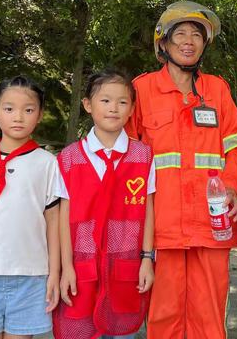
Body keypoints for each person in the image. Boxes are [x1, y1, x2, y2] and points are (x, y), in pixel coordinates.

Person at [127, 0, 237, 339]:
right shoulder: (141, 89)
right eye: (179, 33)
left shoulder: (217, 89)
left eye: (197, 35)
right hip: (162, 227)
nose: (189, 40)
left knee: (209, 316)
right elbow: (127, 158)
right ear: (162, 44)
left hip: (212, 224)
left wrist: (232, 189)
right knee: (163, 315)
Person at [53, 69, 155, 339]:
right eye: (105, 101)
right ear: (88, 105)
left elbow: (148, 209)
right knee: (81, 328)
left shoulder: (143, 156)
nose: (114, 108)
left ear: (132, 108)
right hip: (81, 267)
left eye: (122, 102)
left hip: (125, 265)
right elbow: (64, 217)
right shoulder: (68, 159)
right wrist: (66, 268)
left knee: (122, 330)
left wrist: (147, 259)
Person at [0, 76, 60, 339]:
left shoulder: (47, 163)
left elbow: (53, 221)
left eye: (28, 110)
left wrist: (54, 273)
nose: (18, 116)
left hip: (30, 276)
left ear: (39, 115)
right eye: (9, 109)